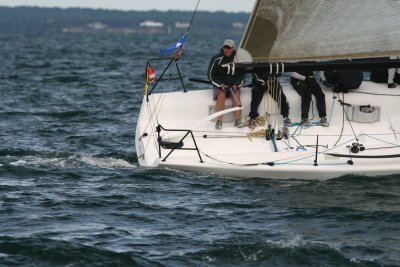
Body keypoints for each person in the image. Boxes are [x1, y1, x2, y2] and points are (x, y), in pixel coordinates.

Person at [208, 39, 245, 129]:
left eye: (228, 47)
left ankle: (237, 120)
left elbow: (242, 75)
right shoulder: (216, 59)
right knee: (221, 95)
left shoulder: (238, 59)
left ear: (232, 49)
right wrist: (221, 84)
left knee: (236, 95)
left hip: (233, 86)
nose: (226, 49)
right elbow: (210, 75)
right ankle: (219, 121)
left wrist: (236, 84)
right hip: (220, 85)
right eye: (225, 47)